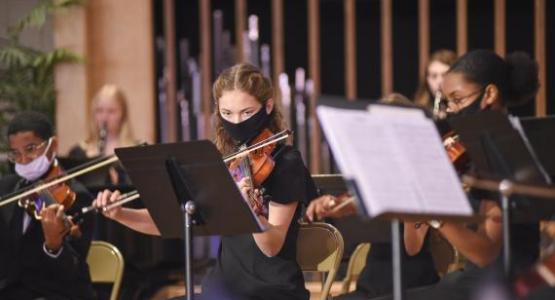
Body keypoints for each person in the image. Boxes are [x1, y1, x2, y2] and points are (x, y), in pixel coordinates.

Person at [94, 63, 317, 299]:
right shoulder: (226, 161)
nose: (237, 121)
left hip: (270, 292)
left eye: (247, 112)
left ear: (268, 106)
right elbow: (174, 221)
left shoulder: (286, 162)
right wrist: (120, 214)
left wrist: (249, 208)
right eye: (227, 113)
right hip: (222, 290)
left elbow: (271, 246)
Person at [370, 49, 541, 300]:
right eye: (448, 102)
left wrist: (435, 215)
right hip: (471, 280)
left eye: (458, 100)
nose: (451, 112)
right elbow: (413, 244)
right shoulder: (474, 150)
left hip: (501, 285)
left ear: (490, 94)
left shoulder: (505, 152)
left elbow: (485, 254)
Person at [305, 93, 440, 300]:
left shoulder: (423, 179)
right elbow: (352, 207)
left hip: (411, 283)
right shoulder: (376, 177)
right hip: (373, 281)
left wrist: (405, 215)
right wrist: (332, 204)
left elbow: (412, 248)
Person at [0, 111, 96, 300]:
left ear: (53, 145)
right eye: (16, 154)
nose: (24, 160)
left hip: (58, 294)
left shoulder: (77, 197)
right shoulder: (8, 188)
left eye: (30, 149)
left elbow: (71, 270)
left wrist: (54, 246)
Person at [69, 84, 139, 185]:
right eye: (99, 111)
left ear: (123, 114)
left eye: (111, 111)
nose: (104, 117)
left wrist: (119, 181)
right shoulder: (78, 152)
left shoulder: (135, 152)